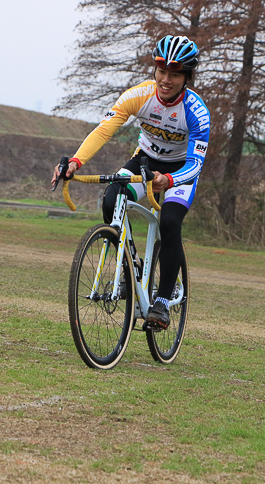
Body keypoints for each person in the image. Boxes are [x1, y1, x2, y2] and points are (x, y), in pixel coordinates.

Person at [51, 35, 210, 330]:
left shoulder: (196, 111)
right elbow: (103, 130)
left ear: (187, 77)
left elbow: (196, 163)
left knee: (170, 223)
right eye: (161, 71)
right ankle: (133, 265)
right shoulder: (139, 95)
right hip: (145, 163)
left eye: (174, 74)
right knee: (112, 200)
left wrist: (170, 179)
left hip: (180, 171)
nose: (165, 79)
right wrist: (75, 161)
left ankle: (162, 301)